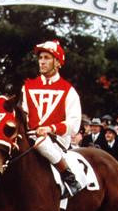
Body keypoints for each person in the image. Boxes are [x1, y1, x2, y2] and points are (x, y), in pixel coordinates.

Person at [21, 39, 83, 198]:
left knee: (41, 143)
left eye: (46, 58)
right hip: (31, 135)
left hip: (56, 138)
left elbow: (74, 123)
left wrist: (50, 128)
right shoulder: (27, 86)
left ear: (57, 62)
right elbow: (24, 114)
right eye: (40, 58)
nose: (41, 62)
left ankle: (69, 177)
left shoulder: (68, 90)